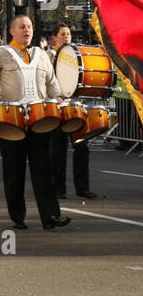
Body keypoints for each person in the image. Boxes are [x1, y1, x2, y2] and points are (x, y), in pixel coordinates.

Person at [0, 13, 70, 232]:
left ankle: (51, 217)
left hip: (40, 120)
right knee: (14, 170)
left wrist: (58, 98)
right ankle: (17, 216)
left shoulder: (41, 54)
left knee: (43, 169)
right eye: (21, 27)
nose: (26, 30)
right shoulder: (1, 53)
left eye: (29, 27)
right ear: (12, 31)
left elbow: (52, 82)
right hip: (11, 121)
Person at [48, 23, 99, 200]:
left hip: (75, 107)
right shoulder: (49, 56)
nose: (66, 37)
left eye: (68, 34)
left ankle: (82, 188)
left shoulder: (76, 56)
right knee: (58, 150)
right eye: (62, 34)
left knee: (82, 146)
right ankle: (58, 188)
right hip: (57, 107)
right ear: (54, 37)